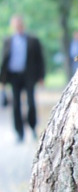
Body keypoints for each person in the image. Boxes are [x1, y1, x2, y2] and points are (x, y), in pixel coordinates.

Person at [0, 14, 45, 142]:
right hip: (14, 76)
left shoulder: (33, 40)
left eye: (20, 24)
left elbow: (40, 59)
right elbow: (4, 60)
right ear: (13, 26)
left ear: (23, 25)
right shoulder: (8, 40)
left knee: (31, 103)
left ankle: (32, 127)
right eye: (16, 24)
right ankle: (19, 132)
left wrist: (41, 76)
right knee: (16, 105)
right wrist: (2, 80)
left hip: (29, 76)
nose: (18, 26)